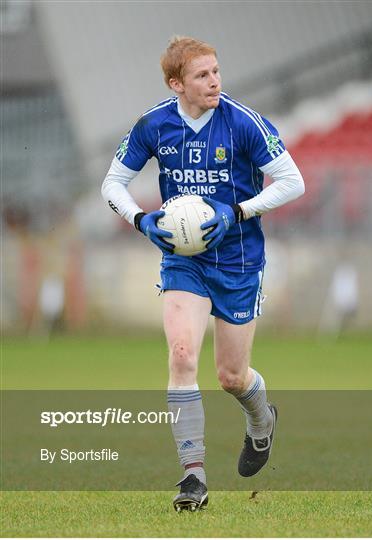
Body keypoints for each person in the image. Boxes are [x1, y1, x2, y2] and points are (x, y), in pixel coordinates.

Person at [102, 36, 305, 512]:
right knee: (180, 354)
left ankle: (262, 423)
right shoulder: (154, 124)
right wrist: (140, 219)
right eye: (201, 75)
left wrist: (237, 211)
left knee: (231, 376)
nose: (215, 81)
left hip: (237, 261)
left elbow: (293, 182)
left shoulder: (243, 123)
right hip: (184, 260)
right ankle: (192, 479)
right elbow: (112, 182)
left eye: (216, 71)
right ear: (177, 84)